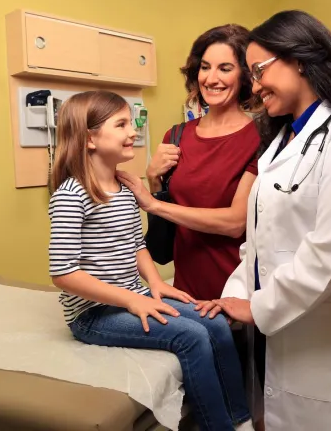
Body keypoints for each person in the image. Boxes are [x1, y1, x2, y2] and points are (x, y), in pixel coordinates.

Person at [202, 10, 331, 431]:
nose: (254, 87)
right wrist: (234, 294)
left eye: (259, 71)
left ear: (300, 59)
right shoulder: (278, 145)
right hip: (278, 334)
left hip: (330, 341)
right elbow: (258, 242)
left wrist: (259, 306)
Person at [48, 90, 254, 431]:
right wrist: (131, 299)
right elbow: (63, 273)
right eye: (122, 124)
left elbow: (135, 246)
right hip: (93, 313)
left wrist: (156, 284)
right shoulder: (71, 195)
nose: (134, 131)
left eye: (131, 122)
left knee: (216, 323)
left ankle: (240, 420)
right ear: (90, 139)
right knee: (192, 336)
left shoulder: (126, 187)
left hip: (133, 297)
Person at [117, 24, 260, 302]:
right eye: (205, 67)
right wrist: (154, 178)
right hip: (184, 291)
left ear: (245, 75)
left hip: (237, 293)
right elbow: (162, 244)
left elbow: (235, 222)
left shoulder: (259, 139)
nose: (211, 78)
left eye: (225, 68)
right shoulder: (177, 136)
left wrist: (153, 202)